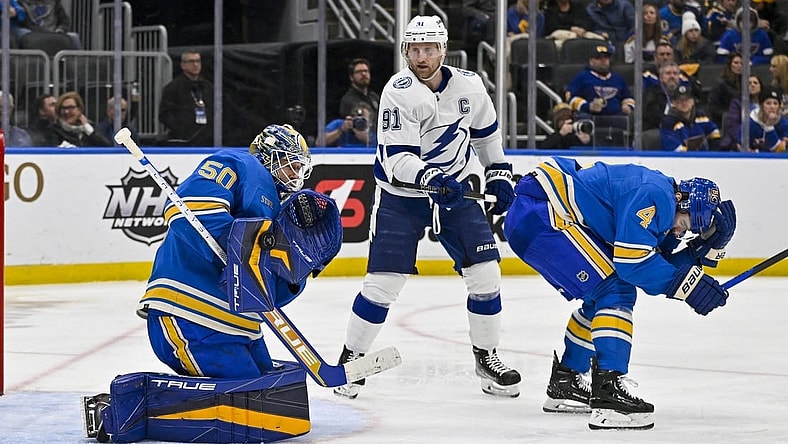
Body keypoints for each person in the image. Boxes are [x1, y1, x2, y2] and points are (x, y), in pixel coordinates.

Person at [83, 124, 343, 443]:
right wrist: (236, 245)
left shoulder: (280, 212)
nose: (296, 174)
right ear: (269, 156)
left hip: (239, 327)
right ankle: (123, 409)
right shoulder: (237, 163)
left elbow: (264, 296)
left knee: (269, 388)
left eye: (300, 168)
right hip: (188, 312)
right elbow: (188, 212)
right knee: (246, 399)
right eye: (290, 163)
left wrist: (296, 274)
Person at [334, 15, 521, 400]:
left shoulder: (470, 86)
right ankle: (352, 359)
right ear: (406, 51)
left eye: (429, 49)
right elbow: (399, 160)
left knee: (486, 277)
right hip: (402, 199)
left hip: (456, 193)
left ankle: (486, 357)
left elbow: (487, 137)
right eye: (414, 49)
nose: (421, 57)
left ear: (443, 50)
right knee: (382, 285)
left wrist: (499, 173)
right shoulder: (397, 91)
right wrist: (433, 179)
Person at [504, 156, 736, 430]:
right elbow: (634, 265)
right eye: (684, 224)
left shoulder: (663, 202)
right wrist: (690, 287)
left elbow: (656, 262)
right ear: (682, 202)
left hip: (536, 216)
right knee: (615, 289)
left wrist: (706, 251)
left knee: (600, 296)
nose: (678, 231)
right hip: (543, 215)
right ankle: (608, 392)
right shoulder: (656, 195)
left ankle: (566, 381)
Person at [158, 50, 214, 146]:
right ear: (183, 65)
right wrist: (181, 128)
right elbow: (165, 114)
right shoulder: (173, 87)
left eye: (198, 61)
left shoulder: (208, 87)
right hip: (182, 139)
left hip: (207, 138)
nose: (196, 65)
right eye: (192, 61)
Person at [566, 44, 635, 117]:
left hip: (618, 119)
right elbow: (571, 98)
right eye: (598, 58)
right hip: (592, 118)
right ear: (591, 61)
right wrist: (588, 106)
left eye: (606, 57)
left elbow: (627, 97)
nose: (603, 60)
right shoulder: (582, 77)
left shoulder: (618, 78)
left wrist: (627, 106)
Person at [660, 84, 721, 151]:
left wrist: (713, 154)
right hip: (680, 160)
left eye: (687, 100)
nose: (684, 103)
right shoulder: (668, 123)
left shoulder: (701, 116)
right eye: (680, 100)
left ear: (693, 101)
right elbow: (674, 149)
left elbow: (714, 133)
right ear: (673, 103)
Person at [41, 91, 112, 147]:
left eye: (71, 107)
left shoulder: (90, 128)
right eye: (63, 108)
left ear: (79, 109)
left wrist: (89, 130)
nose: (66, 112)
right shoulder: (53, 130)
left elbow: (107, 146)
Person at [739, 85, 788, 152]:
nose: (772, 107)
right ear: (761, 105)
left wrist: (769, 126)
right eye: (768, 103)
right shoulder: (750, 123)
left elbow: (779, 150)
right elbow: (739, 145)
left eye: (775, 103)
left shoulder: (784, 124)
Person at [14, 0, 81, 49]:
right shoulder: (21, 2)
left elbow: (64, 21)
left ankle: (79, 66)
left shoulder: (55, 2)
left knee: (74, 37)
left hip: (54, 33)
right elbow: (21, 21)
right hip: (32, 34)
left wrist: (60, 30)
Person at [720, 74, 762, 150]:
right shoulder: (737, 103)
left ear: (760, 87)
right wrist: (743, 142)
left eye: (755, 83)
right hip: (739, 141)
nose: (752, 85)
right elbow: (733, 126)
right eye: (749, 83)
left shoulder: (766, 104)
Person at [338, 58, 380, 131]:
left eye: (366, 71)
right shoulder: (348, 100)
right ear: (351, 77)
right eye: (359, 72)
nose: (363, 74)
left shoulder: (374, 97)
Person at [642, 62, 683, 131]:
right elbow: (652, 116)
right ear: (660, 78)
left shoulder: (684, 93)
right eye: (668, 73)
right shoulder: (652, 93)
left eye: (675, 74)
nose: (672, 76)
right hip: (656, 130)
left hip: (679, 128)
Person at [708, 52, 743, 125]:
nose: (739, 66)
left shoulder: (747, 82)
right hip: (727, 120)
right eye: (736, 63)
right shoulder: (721, 83)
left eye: (742, 63)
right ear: (729, 64)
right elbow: (714, 107)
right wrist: (729, 116)